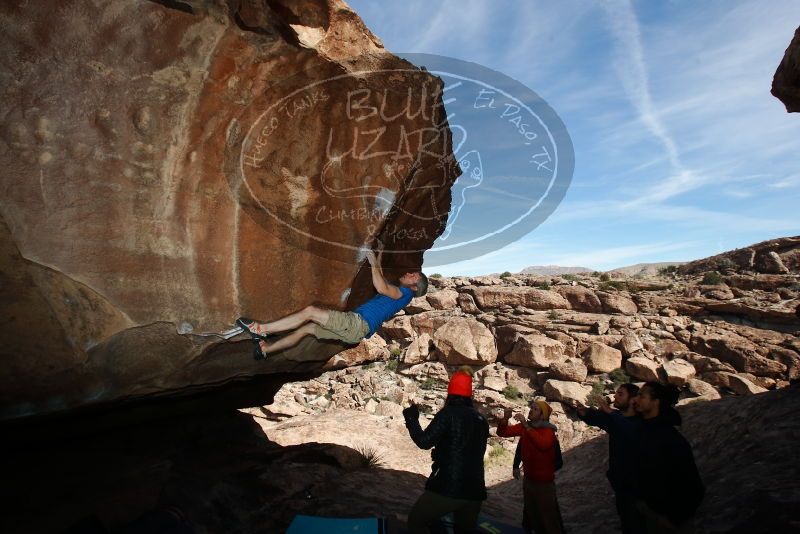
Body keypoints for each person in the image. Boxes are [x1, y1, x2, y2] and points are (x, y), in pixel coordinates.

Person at [237, 245, 427, 358]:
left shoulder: (405, 294)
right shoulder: (400, 296)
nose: (409, 273)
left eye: (413, 276)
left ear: (414, 287)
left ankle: (261, 330)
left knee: (310, 311)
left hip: (355, 324)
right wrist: (378, 257)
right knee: (306, 329)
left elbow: (381, 287)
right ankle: (265, 350)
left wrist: (372, 261)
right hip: (355, 332)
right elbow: (384, 283)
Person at [402, 368, 489, 533]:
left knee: (416, 522)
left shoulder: (448, 414)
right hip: (475, 490)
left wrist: (411, 419)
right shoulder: (481, 419)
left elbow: (424, 441)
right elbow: (472, 450)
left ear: (450, 392)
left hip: (449, 486)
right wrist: (442, 453)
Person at [572, 383, 644, 534]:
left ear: (632, 400)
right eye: (616, 393)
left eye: (621, 394)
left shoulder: (640, 422)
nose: (615, 396)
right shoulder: (616, 419)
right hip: (622, 484)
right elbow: (598, 418)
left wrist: (610, 411)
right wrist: (584, 413)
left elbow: (627, 428)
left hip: (638, 486)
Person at [634, 382, 704, 533]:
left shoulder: (668, 438)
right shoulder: (645, 430)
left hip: (666, 518)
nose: (636, 399)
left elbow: (694, 486)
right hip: (649, 510)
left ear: (655, 402)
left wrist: (674, 519)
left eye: (641, 396)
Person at [498, 400, 563, 534]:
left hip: (544, 483)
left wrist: (526, 426)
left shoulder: (548, 431)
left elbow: (543, 444)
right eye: (531, 408)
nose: (531, 410)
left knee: (548, 519)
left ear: (542, 415)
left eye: (535, 409)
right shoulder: (526, 427)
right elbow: (503, 433)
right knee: (533, 516)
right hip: (529, 480)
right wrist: (505, 419)